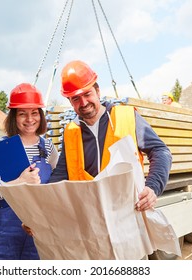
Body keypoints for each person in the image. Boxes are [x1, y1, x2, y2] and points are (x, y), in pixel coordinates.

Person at [49, 60, 172, 212]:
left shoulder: (126, 117)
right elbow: (61, 173)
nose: (83, 103)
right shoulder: (71, 131)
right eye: (76, 99)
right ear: (69, 101)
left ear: (98, 91)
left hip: (128, 211)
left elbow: (160, 151)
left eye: (87, 94)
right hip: (90, 215)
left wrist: (153, 187)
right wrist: (39, 210)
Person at [0, 82, 59, 260]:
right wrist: (18, 183)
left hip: (35, 238)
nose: (29, 119)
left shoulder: (49, 148)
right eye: (22, 114)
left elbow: (58, 188)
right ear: (13, 116)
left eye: (34, 113)